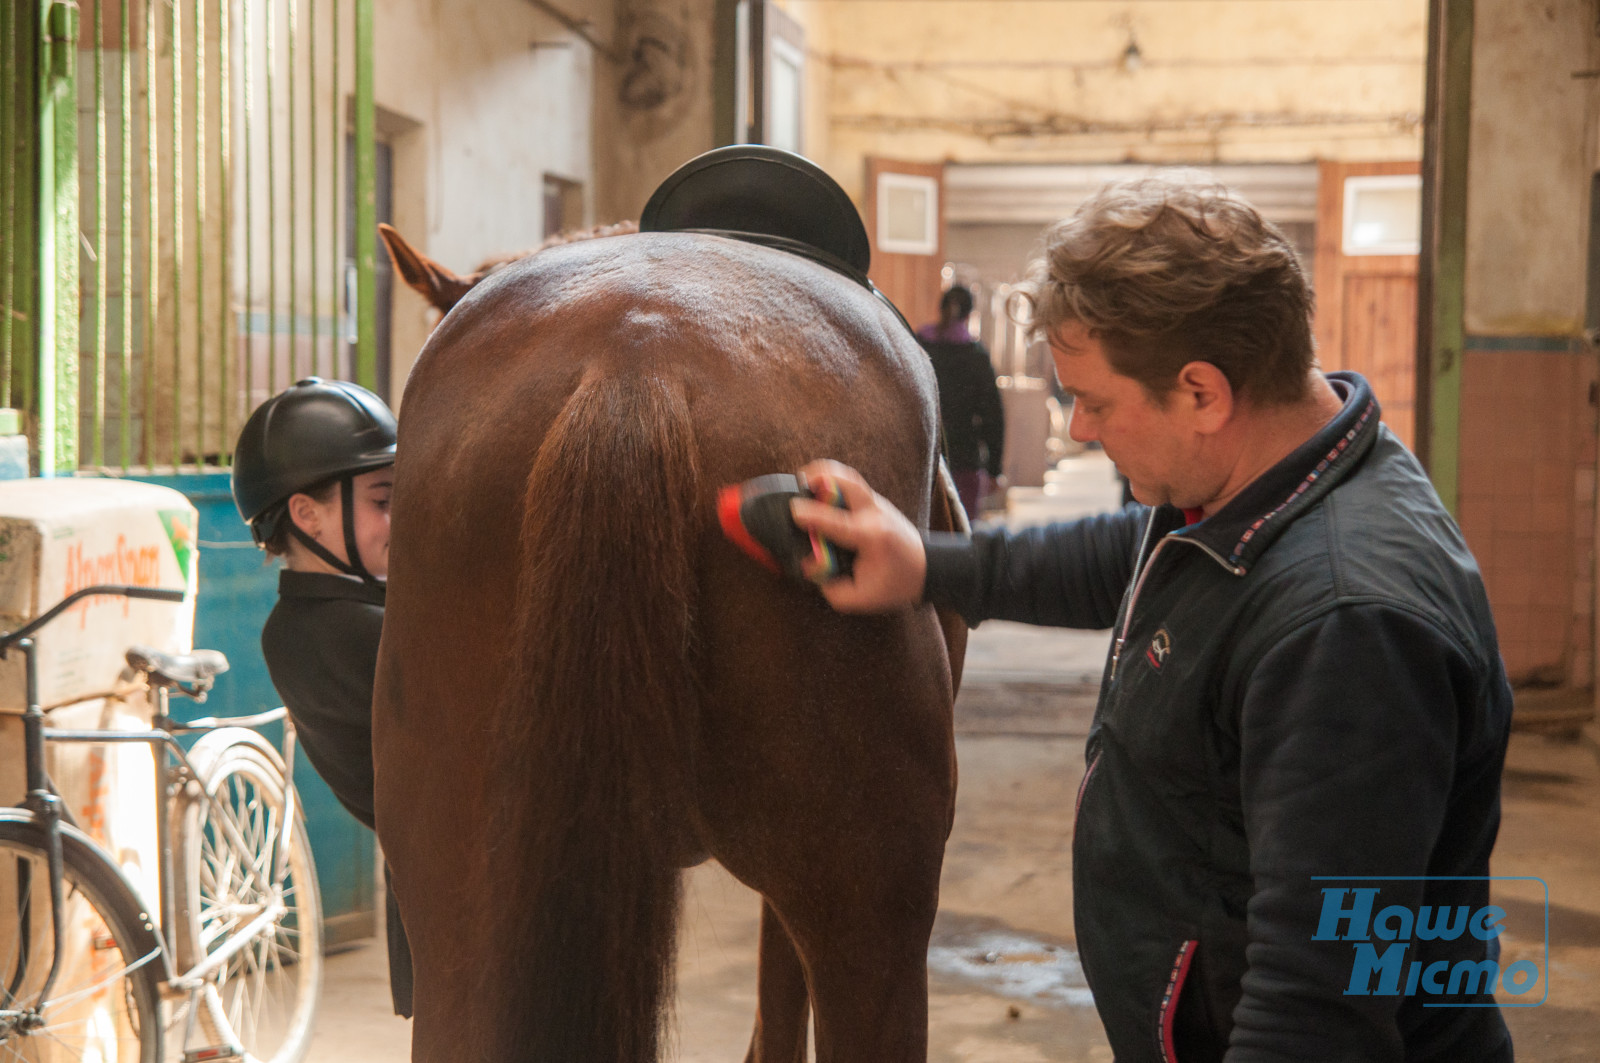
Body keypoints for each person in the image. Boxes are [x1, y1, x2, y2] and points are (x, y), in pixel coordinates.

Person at [793, 177, 1513, 1061]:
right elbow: (1129, 554)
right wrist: (926, 565)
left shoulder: (1345, 628)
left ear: (1202, 392)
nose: (1083, 428)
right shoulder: (1260, 477)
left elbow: (1312, 1009)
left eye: (1093, 401)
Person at [230, 377, 413, 1019]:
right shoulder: (352, 632)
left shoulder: (320, 621)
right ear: (307, 515)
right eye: (383, 501)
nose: (403, 521)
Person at [917, 284, 1006, 519]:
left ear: (940, 308)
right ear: (969, 315)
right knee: (959, 536)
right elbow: (993, 416)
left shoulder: (918, 345)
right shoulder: (975, 356)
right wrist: (994, 468)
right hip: (963, 460)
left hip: (922, 457)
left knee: (921, 533)